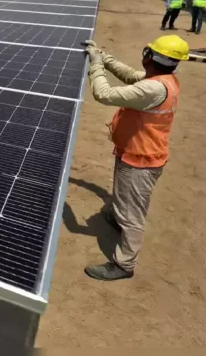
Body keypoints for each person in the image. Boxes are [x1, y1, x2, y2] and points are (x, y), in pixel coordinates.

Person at [81, 35, 189, 281]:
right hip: (136, 152)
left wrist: (96, 65)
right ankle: (116, 217)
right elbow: (131, 76)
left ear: (149, 56)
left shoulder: (153, 88)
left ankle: (124, 264)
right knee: (123, 194)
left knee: (133, 215)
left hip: (142, 160)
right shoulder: (164, 80)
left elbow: (104, 94)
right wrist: (104, 57)